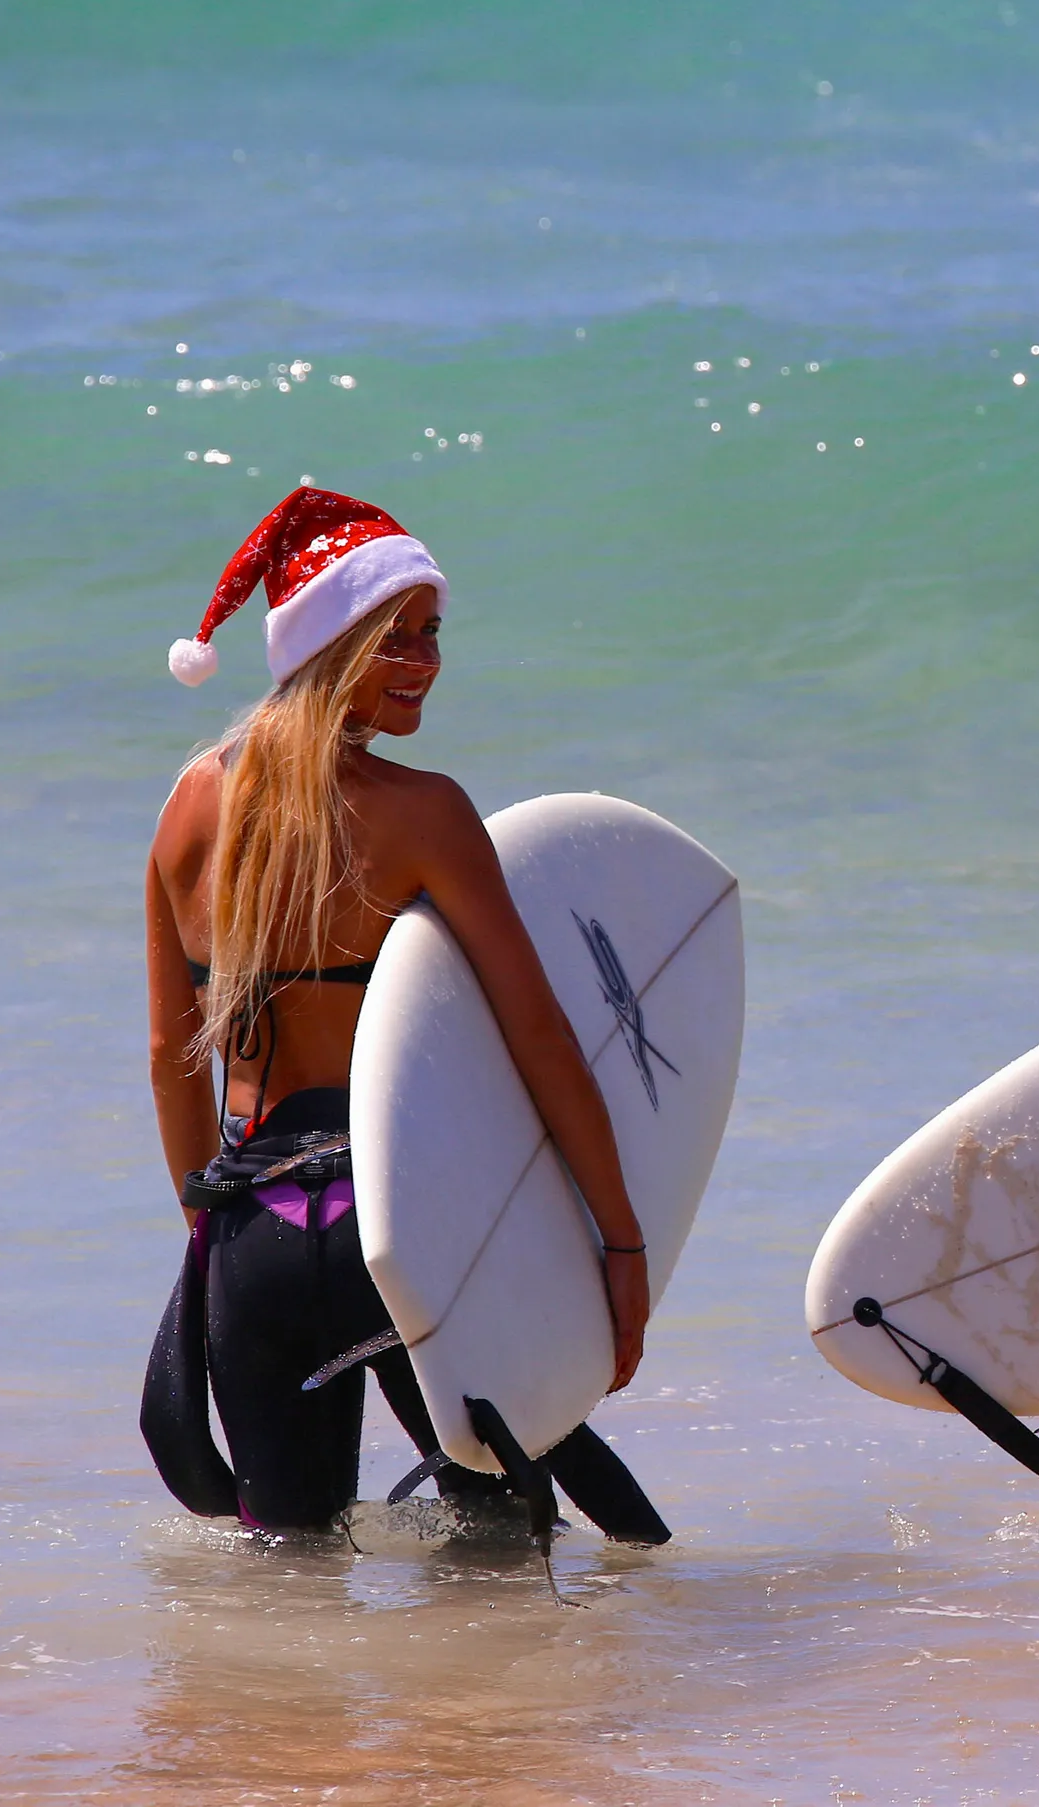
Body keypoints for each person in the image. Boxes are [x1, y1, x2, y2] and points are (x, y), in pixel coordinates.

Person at [139, 485, 652, 1533]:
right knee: (504, 1556)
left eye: (432, 632)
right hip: (402, 1230)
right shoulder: (425, 814)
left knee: (288, 1575)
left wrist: (212, 1238)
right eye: (395, 638)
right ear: (329, 646)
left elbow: (167, 1056)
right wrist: (622, 1243)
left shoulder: (187, 807)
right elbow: (540, 1039)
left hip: (252, 1236)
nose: (425, 660)